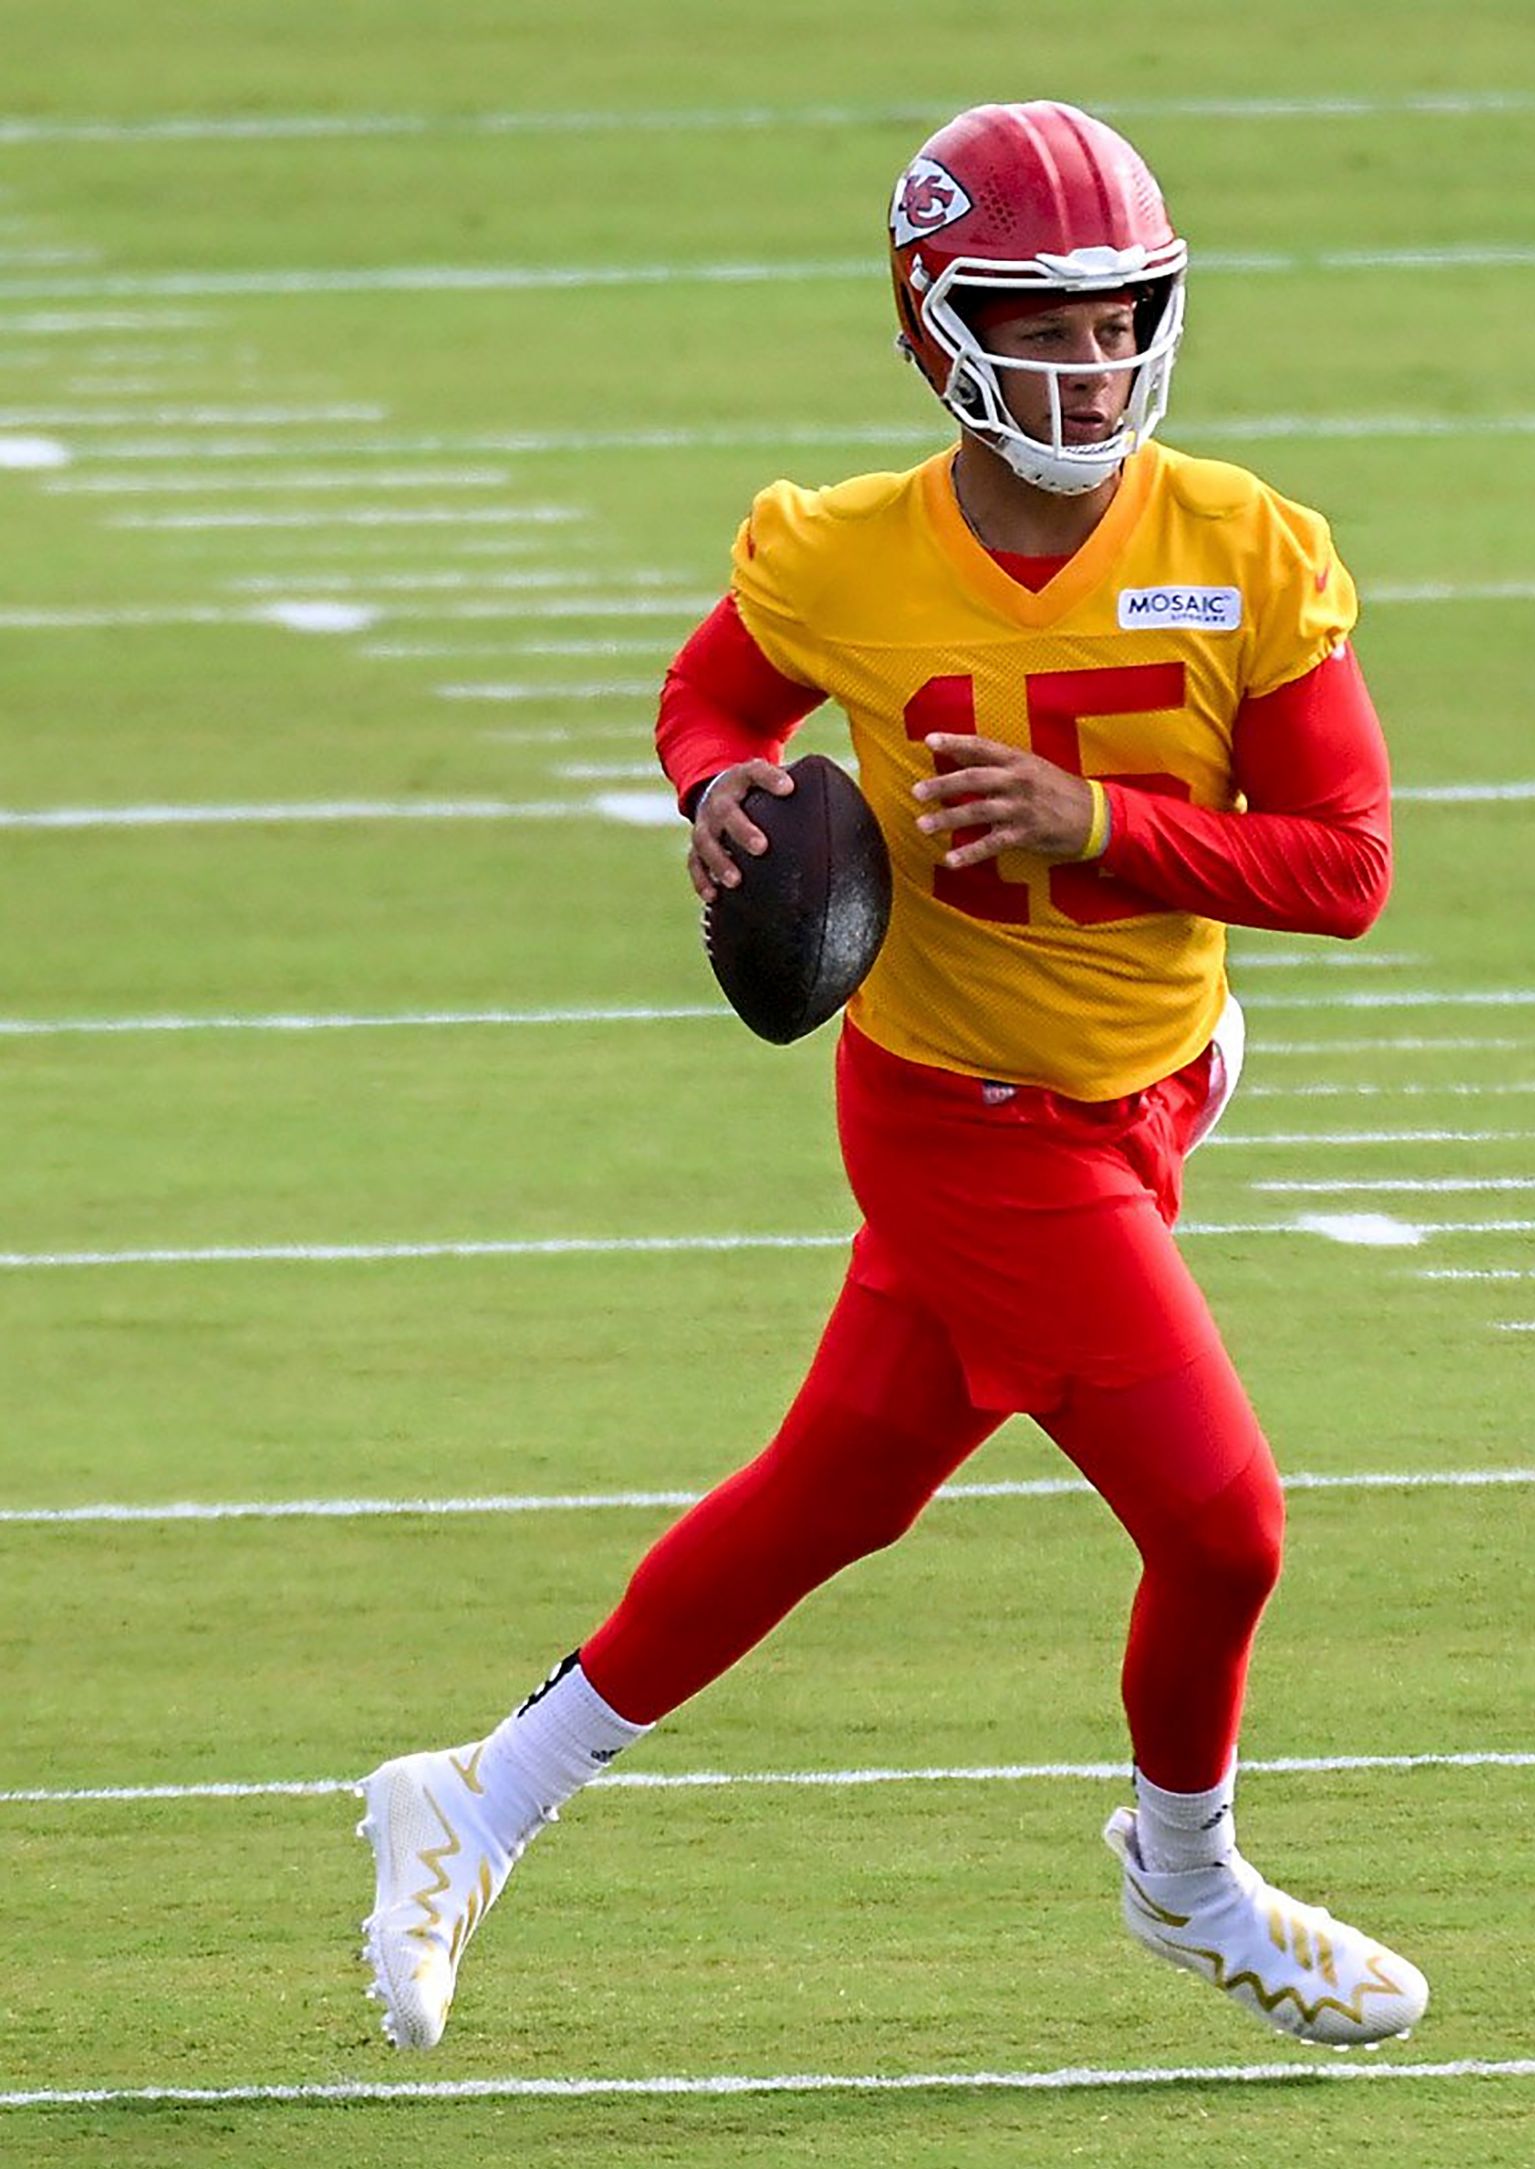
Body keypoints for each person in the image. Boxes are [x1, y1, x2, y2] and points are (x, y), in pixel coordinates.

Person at [357, 99, 1428, 2054]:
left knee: (828, 1495)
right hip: (962, 1116)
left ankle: (475, 1795)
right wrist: (718, 795)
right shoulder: (847, 551)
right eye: (1039, 320)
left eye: (1119, 318)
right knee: (1225, 1526)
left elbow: (1346, 869)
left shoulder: (1250, 551)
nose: (1089, 361)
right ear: (939, 329)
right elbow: (713, 695)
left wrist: (1092, 822)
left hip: (1148, 1085)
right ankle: (1186, 1879)